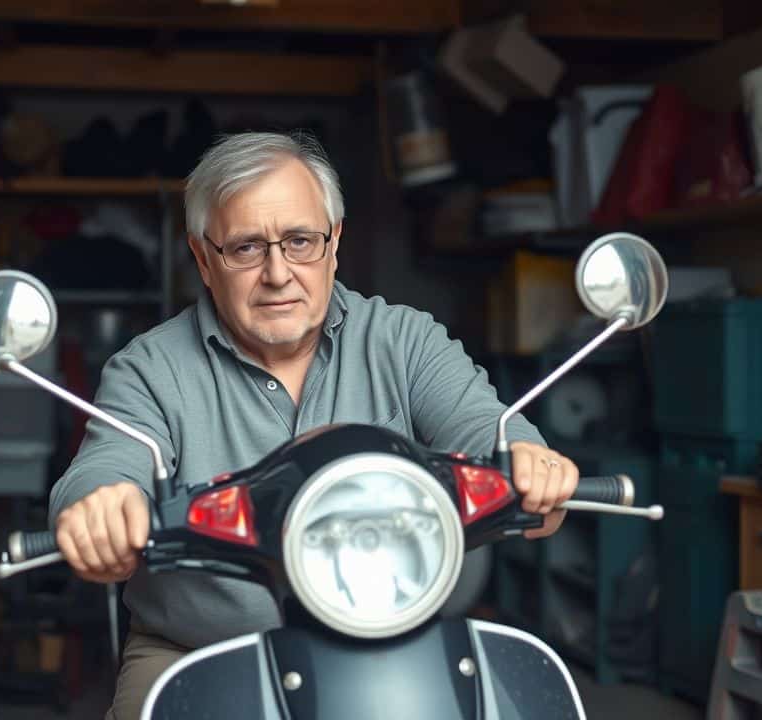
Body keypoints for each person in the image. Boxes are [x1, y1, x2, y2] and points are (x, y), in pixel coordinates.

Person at [47, 131, 578, 720]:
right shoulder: (149, 368)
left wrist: (528, 458)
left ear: (335, 243)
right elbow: (106, 463)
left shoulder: (404, 340)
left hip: (398, 641)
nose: (278, 273)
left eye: (300, 241)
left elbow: (482, 423)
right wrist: (102, 505)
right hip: (195, 652)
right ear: (202, 257)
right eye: (246, 248)